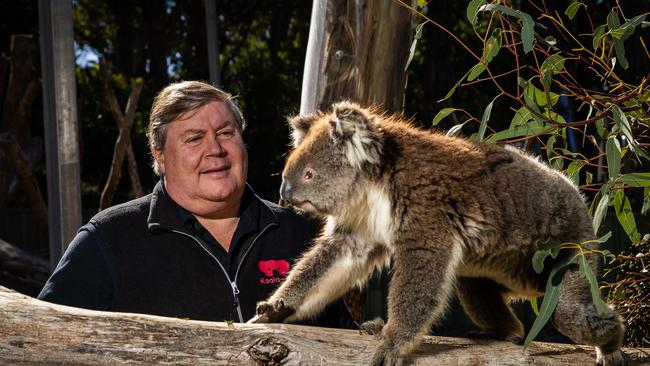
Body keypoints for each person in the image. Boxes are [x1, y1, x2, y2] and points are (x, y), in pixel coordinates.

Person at [38, 81, 351, 326]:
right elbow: (46, 341)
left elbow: (340, 337)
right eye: (194, 138)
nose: (215, 149)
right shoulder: (109, 240)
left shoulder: (297, 231)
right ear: (159, 154)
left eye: (226, 133)